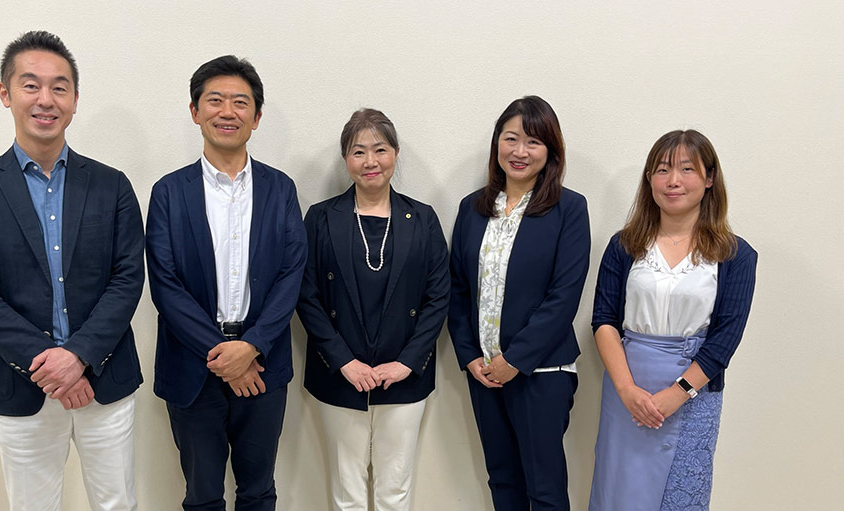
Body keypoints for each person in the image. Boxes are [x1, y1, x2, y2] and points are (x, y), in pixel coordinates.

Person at [0, 31, 144, 511]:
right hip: (20, 385)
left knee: (118, 504)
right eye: (30, 85)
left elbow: (127, 279)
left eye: (59, 87)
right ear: (5, 93)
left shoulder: (112, 185)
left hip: (105, 380)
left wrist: (79, 356)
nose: (46, 99)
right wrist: (51, 365)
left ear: (74, 99)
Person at [145, 55, 307, 511]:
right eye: (215, 100)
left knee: (259, 492)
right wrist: (223, 355)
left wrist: (251, 347)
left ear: (256, 117)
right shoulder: (168, 192)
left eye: (240, 102)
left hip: (263, 364)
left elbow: (291, 274)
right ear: (195, 111)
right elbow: (165, 285)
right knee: (202, 496)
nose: (227, 111)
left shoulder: (280, 189)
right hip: (192, 366)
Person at [588, 130, 757, 511]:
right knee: (617, 491)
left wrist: (677, 394)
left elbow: (724, 340)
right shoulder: (624, 245)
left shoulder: (735, 255)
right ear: (649, 180)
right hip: (625, 390)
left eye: (686, 169)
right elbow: (604, 321)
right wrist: (627, 391)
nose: (673, 180)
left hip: (693, 393)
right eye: (662, 170)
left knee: (681, 495)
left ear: (709, 178)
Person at [297, 109, 449, 511]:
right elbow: (306, 296)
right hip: (339, 373)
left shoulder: (423, 219)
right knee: (346, 490)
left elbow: (439, 297)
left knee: (394, 490)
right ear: (345, 158)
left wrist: (407, 363)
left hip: (404, 375)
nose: (370, 161)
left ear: (395, 154)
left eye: (380, 149)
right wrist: (343, 361)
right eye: (358, 151)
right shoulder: (321, 218)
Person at [448, 96, 590, 510]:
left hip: (540, 372)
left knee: (544, 489)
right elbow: (458, 289)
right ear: (497, 143)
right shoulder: (473, 208)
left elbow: (564, 296)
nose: (520, 151)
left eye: (533, 141)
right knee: (502, 481)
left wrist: (515, 359)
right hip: (484, 373)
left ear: (551, 151)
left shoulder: (569, 209)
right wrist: (469, 357)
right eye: (511, 139)